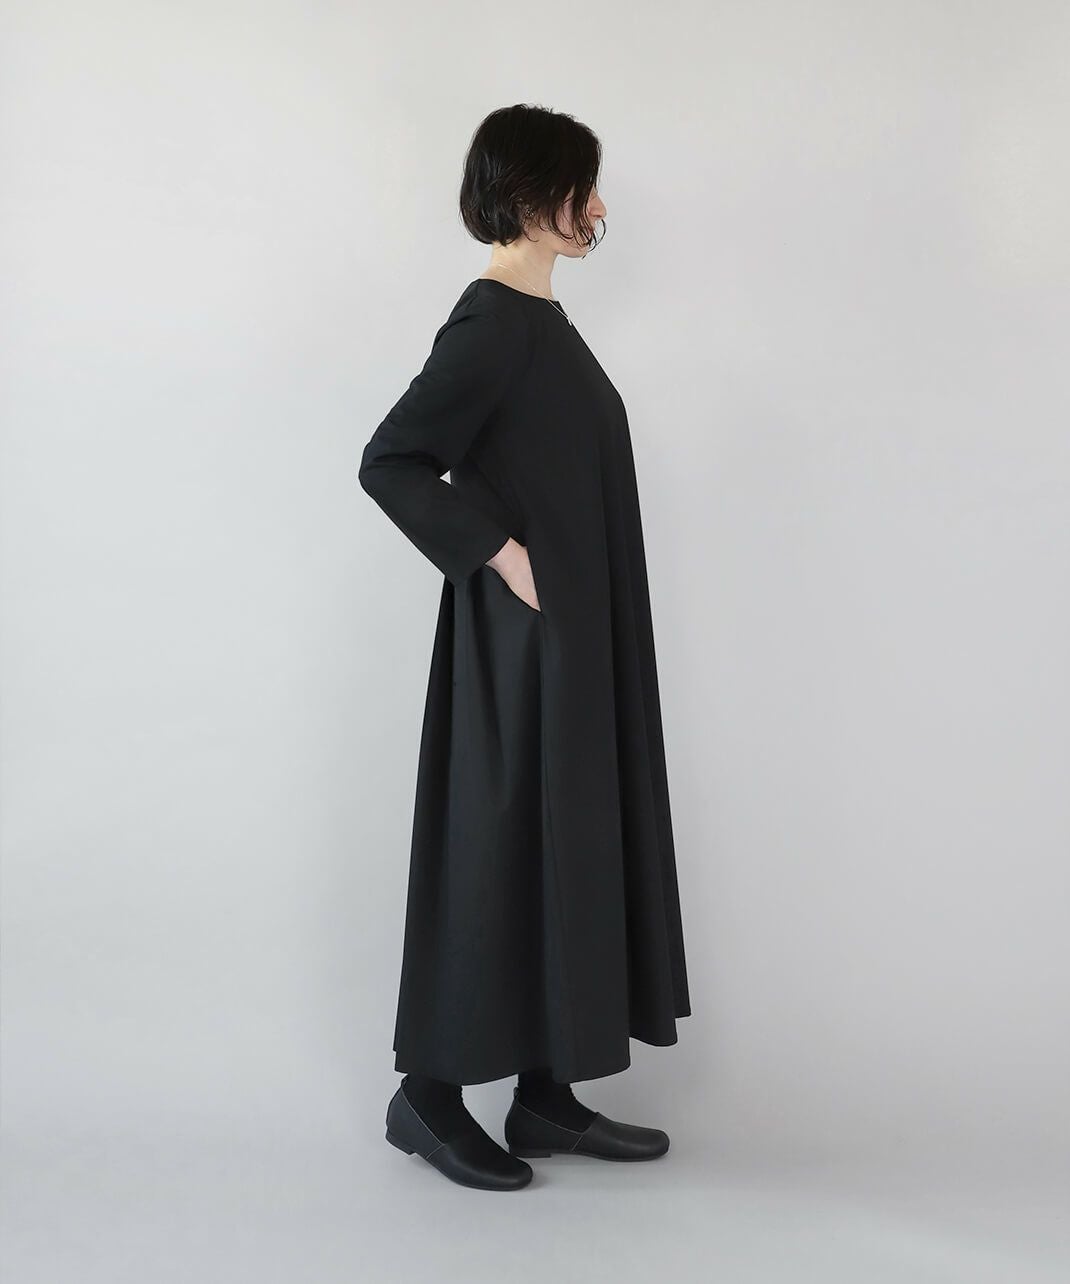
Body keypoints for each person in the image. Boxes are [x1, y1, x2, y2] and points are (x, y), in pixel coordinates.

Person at [358, 103, 690, 1191]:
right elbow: (392, 460)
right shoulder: (492, 322)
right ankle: (427, 1100)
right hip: (522, 650)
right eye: (582, 189)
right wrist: (500, 552)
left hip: (576, 645)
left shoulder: (540, 319)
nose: (598, 209)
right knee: (497, 851)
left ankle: (545, 1097)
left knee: (568, 847)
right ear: (532, 194)